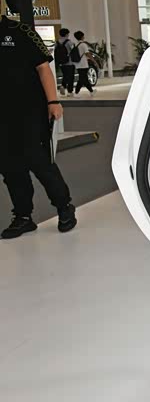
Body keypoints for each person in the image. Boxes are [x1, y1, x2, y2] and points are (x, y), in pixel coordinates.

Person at [0, 15, 77, 239]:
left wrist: (53, 101)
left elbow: (43, 68)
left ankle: (64, 206)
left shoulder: (20, 31)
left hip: (29, 111)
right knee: (10, 167)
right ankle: (23, 216)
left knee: (39, 161)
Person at [71, 30, 95, 96]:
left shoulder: (74, 45)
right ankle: (76, 92)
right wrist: (93, 60)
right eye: (83, 36)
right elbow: (87, 54)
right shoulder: (83, 45)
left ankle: (91, 91)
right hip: (83, 64)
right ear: (82, 37)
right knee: (82, 79)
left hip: (77, 64)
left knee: (84, 78)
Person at [54, 28, 76, 96]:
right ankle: (70, 92)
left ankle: (63, 86)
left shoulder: (57, 42)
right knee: (71, 77)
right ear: (66, 34)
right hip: (69, 62)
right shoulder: (69, 42)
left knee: (65, 75)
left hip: (61, 63)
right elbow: (73, 51)